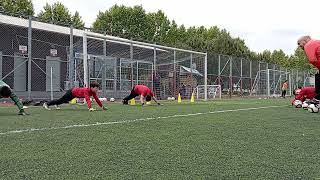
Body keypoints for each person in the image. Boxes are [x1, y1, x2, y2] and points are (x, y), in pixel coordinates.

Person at [43, 82, 107, 111]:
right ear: (92, 87)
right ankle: (46, 104)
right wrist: (90, 108)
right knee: (61, 100)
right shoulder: (86, 90)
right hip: (71, 92)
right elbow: (87, 99)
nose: (97, 90)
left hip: (74, 95)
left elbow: (97, 100)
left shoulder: (93, 92)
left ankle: (56, 104)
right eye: (96, 88)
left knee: (62, 100)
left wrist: (102, 107)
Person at [297, 36, 320, 102]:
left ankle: (317, 100)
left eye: (299, 43)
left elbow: (312, 60)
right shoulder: (316, 42)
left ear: (305, 41)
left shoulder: (308, 45)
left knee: (318, 82)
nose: (299, 46)